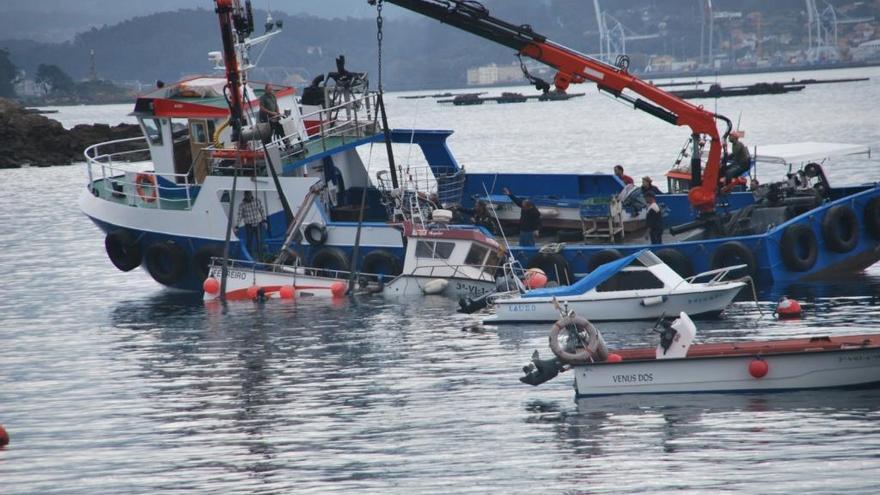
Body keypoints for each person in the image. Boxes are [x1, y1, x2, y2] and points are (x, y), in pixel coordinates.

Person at [238, 191, 266, 258]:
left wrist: (264, 220)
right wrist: (237, 226)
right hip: (249, 225)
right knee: (249, 242)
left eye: (249, 194)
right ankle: (250, 256)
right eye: (246, 195)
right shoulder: (242, 205)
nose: (248, 196)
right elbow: (239, 215)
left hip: (258, 223)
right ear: (244, 195)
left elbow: (262, 210)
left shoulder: (257, 201)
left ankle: (261, 257)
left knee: (259, 241)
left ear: (251, 194)